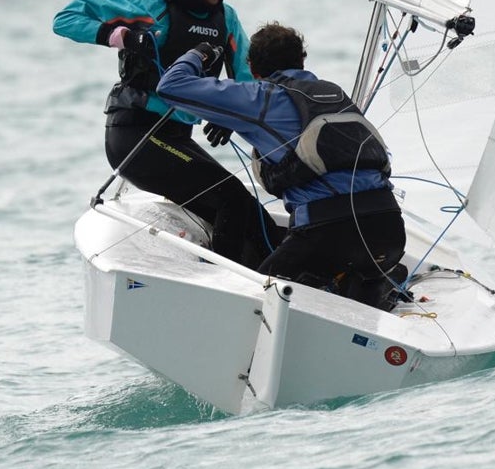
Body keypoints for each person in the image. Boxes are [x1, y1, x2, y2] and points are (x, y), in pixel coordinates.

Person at [52, 0, 281, 267]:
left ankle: (285, 281)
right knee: (231, 198)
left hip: (177, 139)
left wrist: (227, 116)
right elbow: (66, 19)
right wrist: (122, 36)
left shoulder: (226, 20)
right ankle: (219, 285)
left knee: (251, 213)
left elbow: (246, 80)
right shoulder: (148, 3)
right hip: (136, 135)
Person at [156, 22, 408, 309]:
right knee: (358, 296)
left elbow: (171, 86)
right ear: (302, 60)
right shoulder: (333, 93)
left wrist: (198, 54)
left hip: (327, 234)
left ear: (253, 70)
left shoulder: (261, 96)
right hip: (389, 230)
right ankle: (379, 282)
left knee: (255, 300)